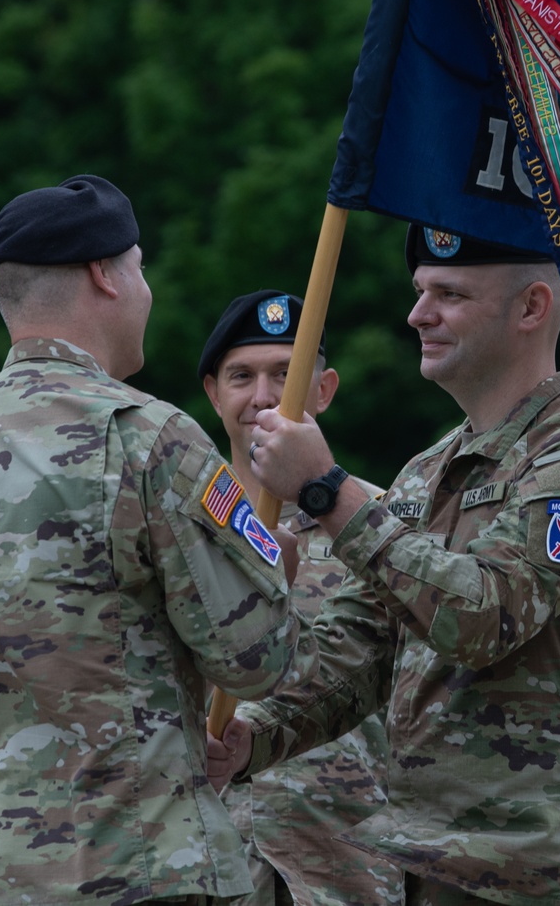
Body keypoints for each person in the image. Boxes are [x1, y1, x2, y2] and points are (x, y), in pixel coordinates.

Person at [0, 175, 315, 906]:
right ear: (105, 274)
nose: (149, 293)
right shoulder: (146, 439)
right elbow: (257, 659)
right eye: (139, 268)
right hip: (136, 872)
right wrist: (272, 570)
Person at [209, 226, 560, 906]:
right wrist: (253, 740)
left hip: (539, 863)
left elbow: (482, 616)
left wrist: (327, 490)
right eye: (420, 292)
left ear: (531, 307)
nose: (418, 313)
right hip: (430, 855)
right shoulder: (424, 474)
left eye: (448, 294)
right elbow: (356, 659)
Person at [198, 290, 404, 906]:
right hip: (210, 859)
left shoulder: (382, 524)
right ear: (213, 393)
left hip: (349, 859)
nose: (264, 397)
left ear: (325, 390)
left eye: (286, 375)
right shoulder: (175, 526)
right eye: (242, 376)